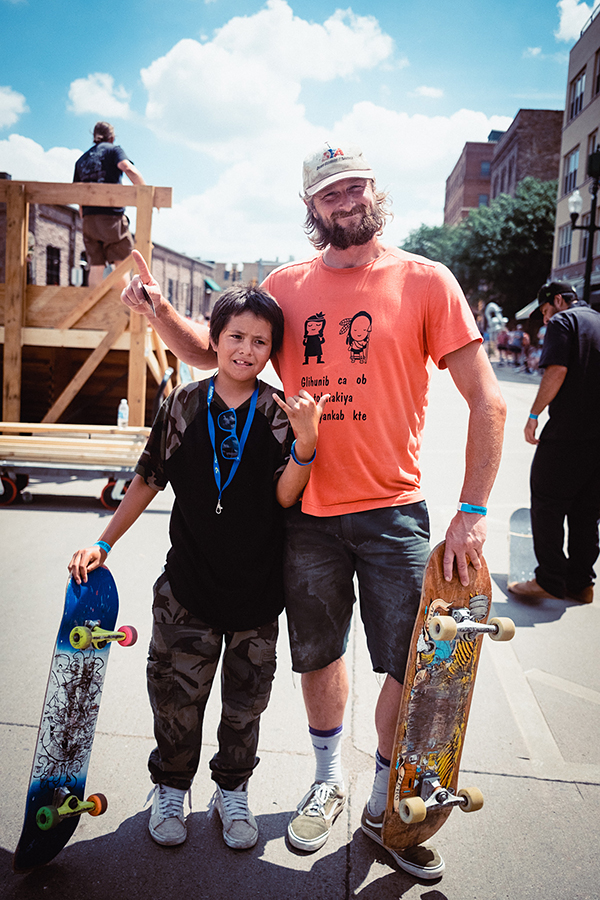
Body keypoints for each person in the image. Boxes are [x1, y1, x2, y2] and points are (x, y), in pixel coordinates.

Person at [120, 143, 506, 879]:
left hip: (393, 511)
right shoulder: (285, 287)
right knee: (319, 656)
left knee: (412, 662)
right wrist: (158, 308)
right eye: (330, 193)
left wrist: (473, 510)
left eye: (356, 185)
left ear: (375, 189)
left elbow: (487, 400)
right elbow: (213, 352)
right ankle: (328, 780)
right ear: (311, 208)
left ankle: (387, 799)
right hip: (307, 516)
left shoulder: (427, 280)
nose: (347, 199)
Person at [68, 277, 329, 851]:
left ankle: (232, 791)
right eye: (236, 336)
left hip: (257, 595)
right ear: (213, 338)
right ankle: (170, 788)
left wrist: (306, 445)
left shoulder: (278, 413)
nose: (246, 350)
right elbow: (148, 478)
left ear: (272, 350)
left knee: (245, 707)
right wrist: (104, 544)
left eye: (260, 342)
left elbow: (285, 496)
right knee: (175, 701)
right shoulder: (183, 404)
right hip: (186, 591)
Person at [508, 281, 600, 604]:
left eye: (546, 311)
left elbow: (557, 370)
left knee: (546, 501)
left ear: (559, 300)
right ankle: (581, 583)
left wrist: (534, 414)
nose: (546, 319)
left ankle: (549, 579)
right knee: (587, 511)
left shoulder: (564, 321)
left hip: (568, 434)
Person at [73, 121, 145, 290]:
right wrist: (147, 194)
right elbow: (128, 168)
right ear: (112, 137)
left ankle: (94, 303)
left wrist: (84, 217)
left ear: (94, 137)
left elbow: (77, 192)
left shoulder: (81, 160)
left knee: (96, 266)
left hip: (89, 219)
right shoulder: (114, 150)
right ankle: (122, 305)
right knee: (121, 265)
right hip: (111, 218)